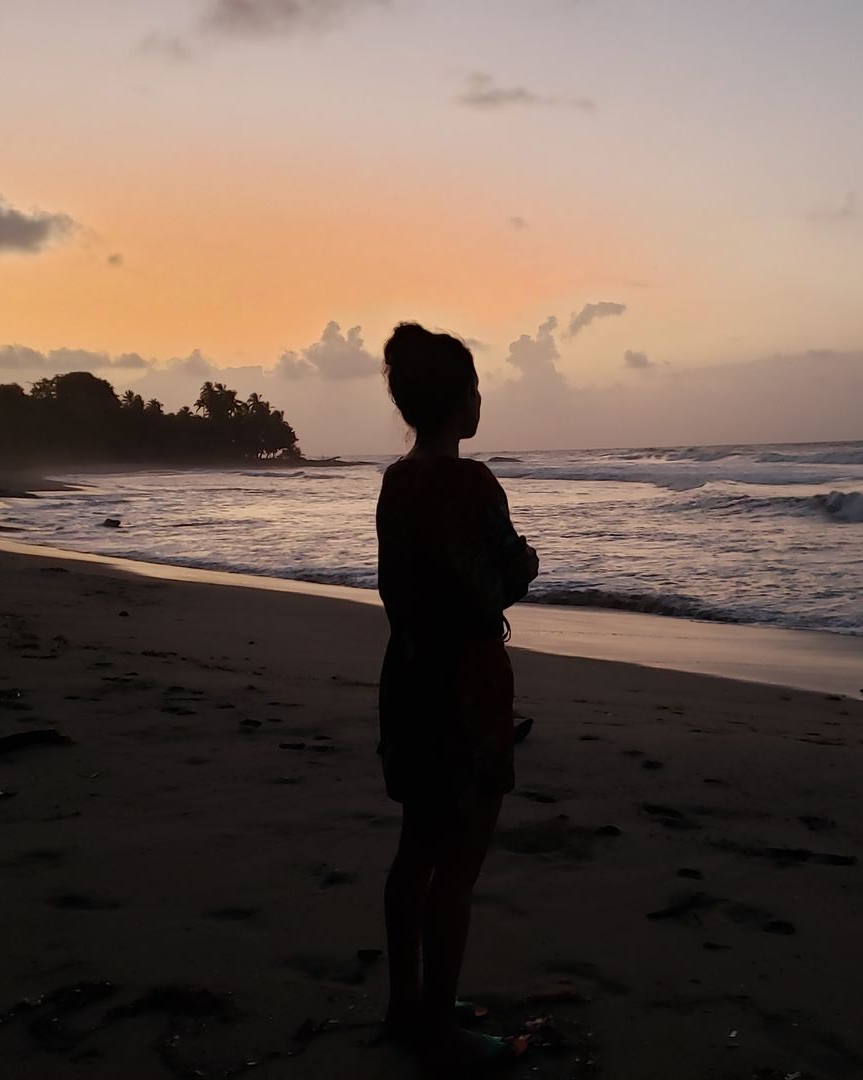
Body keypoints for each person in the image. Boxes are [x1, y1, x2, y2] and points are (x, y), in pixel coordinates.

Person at [375, 322, 539, 1069]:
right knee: (460, 864)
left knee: (415, 849)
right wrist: (523, 566)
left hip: (407, 675)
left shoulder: (395, 482)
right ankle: (441, 1028)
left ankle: (406, 1003)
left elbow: (406, 585)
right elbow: (491, 586)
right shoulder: (470, 483)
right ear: (460, 403)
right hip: (464, 687)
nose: (481, 402)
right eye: (476, 390)